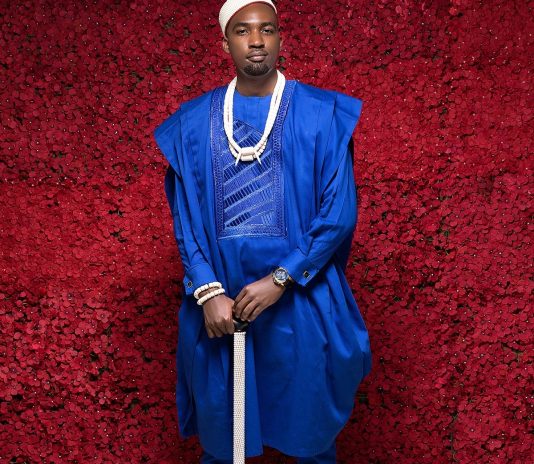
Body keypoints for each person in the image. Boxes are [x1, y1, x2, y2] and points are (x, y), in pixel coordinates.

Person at [153, 1, 372, 462]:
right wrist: (208, 292)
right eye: (243, 31)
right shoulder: (193, 123)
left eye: (267, 30)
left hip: (302, 303)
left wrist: (281, 279)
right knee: (224, 444)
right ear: (225, 43)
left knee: (310, 439)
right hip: (223, 306)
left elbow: (337, 214)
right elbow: (185, 219)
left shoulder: (322, 115)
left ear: (280, 38)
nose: (256, 41)